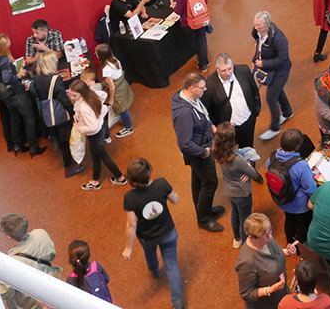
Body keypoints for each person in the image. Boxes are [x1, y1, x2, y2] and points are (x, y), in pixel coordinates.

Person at [123, 158, 185, 309]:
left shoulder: (130, 197)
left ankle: (155, 271)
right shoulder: (162, 184)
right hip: (168, 232)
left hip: (147, 236)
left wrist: (128, 248)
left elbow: (131, 224)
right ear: (150, 171)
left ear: (133, 181)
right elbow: (175, 199)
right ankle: (178, 304)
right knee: (172, 266)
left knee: (149, 253)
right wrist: (173, 194)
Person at [171, 72, 225, 231]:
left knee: (198, 180)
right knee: (210, 183)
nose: (205, 89)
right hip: (199, 153)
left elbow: (202, 115)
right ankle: (203, 219)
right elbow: (184, 143)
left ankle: (204, 210)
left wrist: (209, 126)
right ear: (192, 88)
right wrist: (204, 152)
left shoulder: (189, 99)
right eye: (202, 88)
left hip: (201, 147)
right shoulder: (184, 113)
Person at [0, 34, 46, 158]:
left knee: (14, 119)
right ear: (6, 45)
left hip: (5, 96)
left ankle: (17, 145)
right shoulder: (4, 59)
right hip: (17, 93)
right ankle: (33, 147)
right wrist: (20, 74)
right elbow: (7, 78)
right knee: (29, 119)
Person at [31, 51, 84, 178]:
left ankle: (56, 143)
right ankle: (69, 167)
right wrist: (73, 113)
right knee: (65, 139)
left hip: (46, 112)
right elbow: (64, 101)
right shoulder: (55, 79)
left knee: (58, 137)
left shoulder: (37, 78)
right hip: (58, 114)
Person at [68, 79, 127, 190]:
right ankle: (95, 181)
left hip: (94, 134)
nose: (71, 97)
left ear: (82, 93)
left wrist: (78, 128)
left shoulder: (84, 108)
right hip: (99, 131)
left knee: (104, 158)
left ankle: (120, 177)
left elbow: (92, 127)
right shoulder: (92, 94)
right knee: (95, 156)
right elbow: (103, 95)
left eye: (74, 95)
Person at [213, 122, 263, 249]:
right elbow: (253, 173)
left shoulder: (218, 153)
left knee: (235, 213)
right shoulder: (237, 159)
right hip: (242, 192)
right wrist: (249, 166)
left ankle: (237, 238)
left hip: (230, 190)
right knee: (245, 219)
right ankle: (248, 244)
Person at [0, 214, 61, 309]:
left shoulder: (11, 262)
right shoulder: (41, 234)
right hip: (49, 284)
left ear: (9, 237)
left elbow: (6, 293)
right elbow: (52, 255)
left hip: (28, 303)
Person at [235, 212, 297, 309]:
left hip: (281, 294)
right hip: (268, 304)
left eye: (270, 232)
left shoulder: (265, 239)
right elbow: (246, 294)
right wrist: (269, 290)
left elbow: (274, 253)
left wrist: (286, 252)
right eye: (266, 235)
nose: (270, 237)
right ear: (251, 237)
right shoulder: (247, 262)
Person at [268, 129, 317, 244]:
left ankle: (290, 241)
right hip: (300, 205)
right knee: (302, 224)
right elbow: (310, 188)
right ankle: (300, 247)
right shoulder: (301, 165)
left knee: (289, 220)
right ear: (298, 146)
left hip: (282, 200)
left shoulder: (271, 158)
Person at [204, 53, 261, 150]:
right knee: (228, 151)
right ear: (217, 69)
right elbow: (207, 109)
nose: (228, 73)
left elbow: (254, 91)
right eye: (223, 70)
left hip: (247, 120)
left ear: (233, 65)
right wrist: (216, 128)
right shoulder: (209, 84)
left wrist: (256, 111)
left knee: (248, 148)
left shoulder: (244, 70)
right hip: (227, 128)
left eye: (230, 68)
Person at [252, 11, 293, 140]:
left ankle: (275, 128)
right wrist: (255, 61)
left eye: (259, 25)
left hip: (281, 70)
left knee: (271, 97)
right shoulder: (258, 32)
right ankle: (287, 112)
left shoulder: (279, 39)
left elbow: (282, 58)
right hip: (270, 67)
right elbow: (258, 47)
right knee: (278, 91)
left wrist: (263, 63)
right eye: (255, 25)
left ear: (267, 24)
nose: (256, 28)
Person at [171, 0, 211, 71]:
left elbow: (178, 11)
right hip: (202, 20)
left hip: (188, 23)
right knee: (202, 40)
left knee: (194, 42)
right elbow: (205, 2)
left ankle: (201, 61)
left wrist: (172, 1)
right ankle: (205, 61)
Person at [96, 43, 135, 138]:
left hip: (118, 91)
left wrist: (111, 99)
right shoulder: (115, 60)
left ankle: (128, 128)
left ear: (101, 56)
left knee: (123, 110)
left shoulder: (106, 69)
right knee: (124, 106)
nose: (95, 55)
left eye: (96, 54)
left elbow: (112, 86)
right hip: (123, 85)